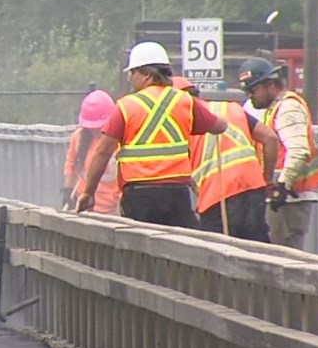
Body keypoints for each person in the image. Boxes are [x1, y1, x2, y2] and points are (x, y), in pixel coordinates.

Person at [75, 41, 227, 227]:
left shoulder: (125, 106)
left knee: (140, 250)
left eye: (132, 72)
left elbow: (102, 152)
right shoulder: (184, 101)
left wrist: (88, 193)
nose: (130, 78)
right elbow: (219, 126)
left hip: (139, 196)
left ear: (147, 74)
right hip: (176, 194)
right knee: (180, 248)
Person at [172, 76, 279, 242]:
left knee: (217, 255)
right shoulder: (230, 108)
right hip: (252, 186)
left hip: (216, 195)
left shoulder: (181, 119)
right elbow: (270, 138)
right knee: (257, 253)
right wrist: (267, 179)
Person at [238, 57, 318, 250]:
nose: (250, 97)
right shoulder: (276, 108)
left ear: (270, 84)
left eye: (253, 90)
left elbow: (298, 150)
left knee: (285, 257)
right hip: (284, 198)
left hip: (289, 199)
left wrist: (282, 187)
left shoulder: (288, 107)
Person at [63, 90, 120, 214]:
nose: (95, 130)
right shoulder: (78, 137)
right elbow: (70, 163)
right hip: (85, 207)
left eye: (99, 126)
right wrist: (68, 190)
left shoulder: (120, 141)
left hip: (113, 209)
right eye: (91, 127)